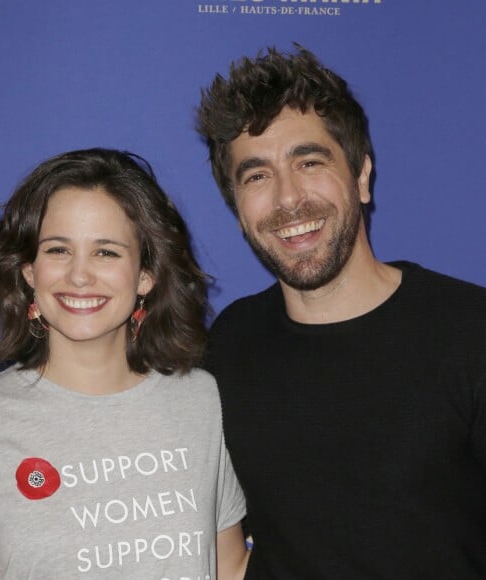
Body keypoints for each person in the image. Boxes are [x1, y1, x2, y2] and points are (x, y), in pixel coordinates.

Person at [196, 45, 486, 578]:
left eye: (309, 162)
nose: (288, 199)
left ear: (362, 177)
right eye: (256, 176)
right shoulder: (227, 345)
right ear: (238, 210)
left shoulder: (472, 331)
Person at [0, 148, 249, 579]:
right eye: (58, 250)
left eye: (106, 252)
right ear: (30, 271)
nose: (80, 275)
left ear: (146, 275)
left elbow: (231, 567)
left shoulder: (202, 401)